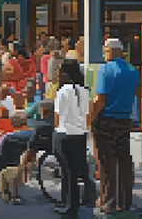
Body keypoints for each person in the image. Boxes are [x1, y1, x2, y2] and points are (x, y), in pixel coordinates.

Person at [89, 38, 140, 214]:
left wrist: (90, 118)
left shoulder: (106, 69)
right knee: (124, 160)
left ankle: (108, 201)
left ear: (110, 50)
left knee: (106, 162)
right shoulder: (133, 70)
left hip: (106, 120)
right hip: (125, 120)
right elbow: (137, 93)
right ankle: (125, 201)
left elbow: (100, 99)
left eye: (105, 51)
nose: (104, 54)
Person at [53, 59, 91, 215]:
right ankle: (74, 203)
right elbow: (87, 115)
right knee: (75, 172)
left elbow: (57, 115)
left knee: (66, 172)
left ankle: (68, 205)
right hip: (80, 135)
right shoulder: (85, 91)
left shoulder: (62, 91)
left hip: (64, 134)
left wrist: (55, 129)